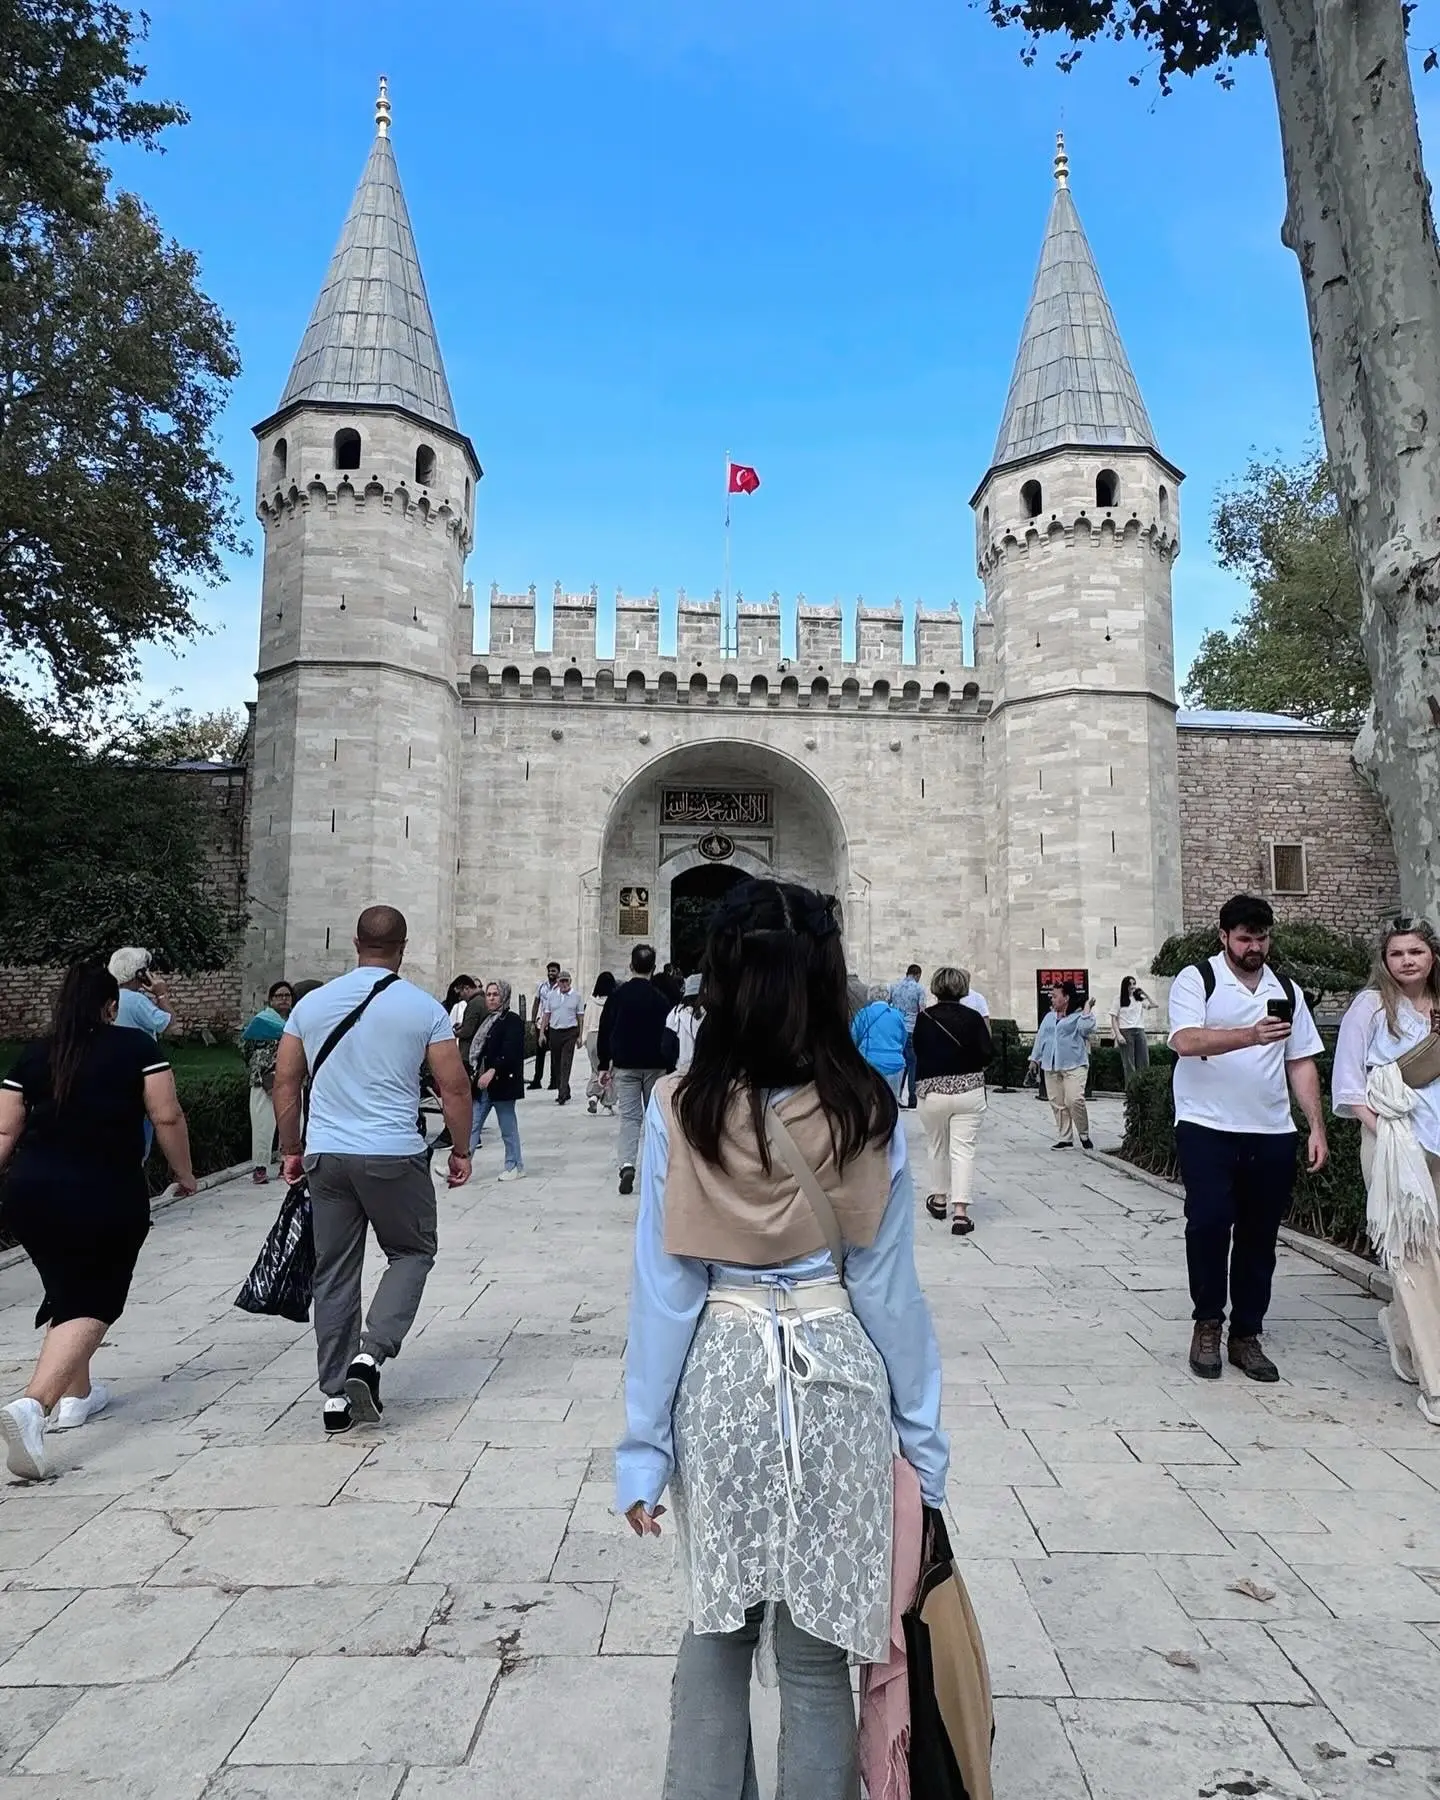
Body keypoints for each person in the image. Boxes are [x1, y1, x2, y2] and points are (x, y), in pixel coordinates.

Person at [617, 878, 948, 1800]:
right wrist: (924, 1447)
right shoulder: (867, 1109)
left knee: (717, 1631)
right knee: (815, 1654)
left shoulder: (678, 1108)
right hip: (837, 1372)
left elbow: (665, 1293)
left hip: (722, 1373)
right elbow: (890, 1295)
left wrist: (642, 1448)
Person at [272, 905, 474, 1434]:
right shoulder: (423, 1008)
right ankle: (371, 1353)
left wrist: (291, 1148)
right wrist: (461, 1149)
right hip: (392, 1154)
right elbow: (454, 1087)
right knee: (412, 1251)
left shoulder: (311, 1005)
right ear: (402, 947)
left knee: (334, 1271)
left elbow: (286, 1082)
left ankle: (335, 1396)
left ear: (355, 942)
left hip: (327, 1155)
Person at [0, 963, 197, 1480]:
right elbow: (167, 1115)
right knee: (96, 1299)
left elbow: (4, 1132)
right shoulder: (136, 1048)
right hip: (104, 1189)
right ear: (112, 1006)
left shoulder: (34, 1054)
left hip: (30, 1193)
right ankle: (34, 1406)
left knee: (67, 1288)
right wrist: (184, 1173)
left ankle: (78, 1396)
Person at [1169, 893, 1327, 1384]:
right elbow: (1185, 1040)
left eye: (1261, 938)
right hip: (1205, 1124)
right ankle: (1207, 1322)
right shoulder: (1198, 978)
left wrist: (1315, 1125)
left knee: (1260, 1235)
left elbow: (1300, 1060)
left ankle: (1246, 1334)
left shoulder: (1287, 990)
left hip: (1271, 1128)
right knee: (1209, 1222)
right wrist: (1250, 1034)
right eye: (1244, 939)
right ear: (1224, 937)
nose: (1253, 947)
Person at [1332, 915, 1440, 1424]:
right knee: (1414, 1256)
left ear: (1432, 955)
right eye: (1397, 953)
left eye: (1416, 951)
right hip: (1393, 1144)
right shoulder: (1370, 1007)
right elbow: (1349, 1086)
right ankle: (1435, 1381)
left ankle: (1401, 1328)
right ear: (1384, 960)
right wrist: (1390, 1133)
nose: (1407, 961)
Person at [913, 967, 992, 1236]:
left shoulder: (924, 1018)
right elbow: (987, 1053)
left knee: (937, 1145)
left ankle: (939, 1199)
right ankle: (960, 1212)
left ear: (935, 987)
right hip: (968, 1090)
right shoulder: (973, 1018)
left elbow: (918, 1050)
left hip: (933, 1090)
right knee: (963, 1149)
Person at [598, 943, 675, 1196]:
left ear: (631, 966)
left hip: (626, 1065)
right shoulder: (661, 998)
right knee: (656, 1117)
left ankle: (627, 1164)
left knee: (630, 1118)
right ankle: (658, 1167)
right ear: (653, 968)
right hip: (655, 1066)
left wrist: (603, 1064)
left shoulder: (618, 996)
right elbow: (669, 1034)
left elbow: (606, 1029)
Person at [1029, 981, 1097, 1149]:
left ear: (1066, 998)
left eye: (1055, 996)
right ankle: (1065, 1138)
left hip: (1074, 1064)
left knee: (1074, 1099)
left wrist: (1087, 1008)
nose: (1052, 999)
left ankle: (1083, 1133)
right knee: (1057, 1102)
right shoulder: (1049, 1017)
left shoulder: (1078, 1016)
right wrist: (1034, 1059)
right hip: (1051, 1065)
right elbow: (1041, 1037)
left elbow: (1086, 1029)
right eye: (1051, 996)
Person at [469, 979, 526, 1178]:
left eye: (495, 994)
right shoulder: (490, 1021)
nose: (491, 998)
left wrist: (493, 1070)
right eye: (488, 994)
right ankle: (459, 1165)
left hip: (502, 1083)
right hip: (484, 1086)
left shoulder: (512, 1020)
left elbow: (510, 1051)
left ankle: (515, 1166)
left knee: (507, 1127)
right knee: (472, 1125)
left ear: (504, 996)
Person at [241, 981, 294, 1184]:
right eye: (279, 996)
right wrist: (263, 1068)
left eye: (287, 996)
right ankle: (260, 1167)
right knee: (263, 1125)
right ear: (271, 1000)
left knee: (292, 1123)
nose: (283, 999)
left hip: (291, 1080)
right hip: (263, 1080)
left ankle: (287, 1164)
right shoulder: (261, 1021)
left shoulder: (296, 1022)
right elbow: (245, 1048)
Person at [851, 983, 909, 1098]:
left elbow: (853, 1037)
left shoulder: (863, 1014)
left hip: (869, 1063)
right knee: (892, 1100)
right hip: (894, 1065)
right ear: (887, 996)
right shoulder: (897, 1015)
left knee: (869, 1100)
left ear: (871, 996)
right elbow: (903, 1039)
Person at [540, 971, 585, 1105]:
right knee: (557, 1063)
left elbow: (580, 1017)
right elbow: (546, 1015)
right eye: (562, 981)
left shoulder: (577, 996)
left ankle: (562, 1093)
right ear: (558, 982)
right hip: (555, 1031)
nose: (564, 984)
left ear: (570, 981)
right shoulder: (551, 996)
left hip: (570, 1031)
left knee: (566, 1062)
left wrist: (580, 1036)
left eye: (566, 981)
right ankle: (566, 1089)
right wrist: (542, 1033)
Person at [888, 963, 926, 1108]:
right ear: (918, 975)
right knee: (913, 1063)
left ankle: (896, 1095)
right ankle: (912, 1099)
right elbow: (922, 1010)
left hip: (896, 1028)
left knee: (900, 1062)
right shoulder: (919, 988)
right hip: (911, 1028)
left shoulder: (895, 986)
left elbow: (889, 1004)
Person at [586, 972, 618, 1115]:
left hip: (591, 1036)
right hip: (607, 1036)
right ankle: (608, 1104)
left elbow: (586, 1020)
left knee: (596, 1069)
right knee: (610, 1071)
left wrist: (584, 1039)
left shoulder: (591, 1001)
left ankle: (594, 1095)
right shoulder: (613, 1001)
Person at [1110, 976, 1153, 1082]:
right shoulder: (1118, 999)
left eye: (1134, 983)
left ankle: (1143, 1086)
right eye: (1130, 984)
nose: (1133, 986)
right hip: (1126, 1031)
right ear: (1125, 986)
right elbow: (1114, 1018)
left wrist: (1145, 993)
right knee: (1129, 1064)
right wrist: (1118, 1035)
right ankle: (1130, 1088)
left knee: (1143, 1061)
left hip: (1139, 1029)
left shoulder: (1138, 999)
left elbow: (1155, 1004)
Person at [528, 961, 562, 1091]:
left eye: (553, 971)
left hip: (555, 1024)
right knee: (540, 1053)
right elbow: (536, 1003)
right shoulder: (542, 986)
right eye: (549, 971)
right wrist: (532, 1022)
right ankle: (537, 1080)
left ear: (558, 972)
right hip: (541, 1023)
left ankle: (554, 1081)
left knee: (554, 1053)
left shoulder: (561, 987)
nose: (551, 973)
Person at [663, 974, 705, 1073]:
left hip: (680, 1070)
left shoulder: (675, 1013)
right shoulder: (709, 1014)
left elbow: (666, 1046)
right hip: (703, 1071)